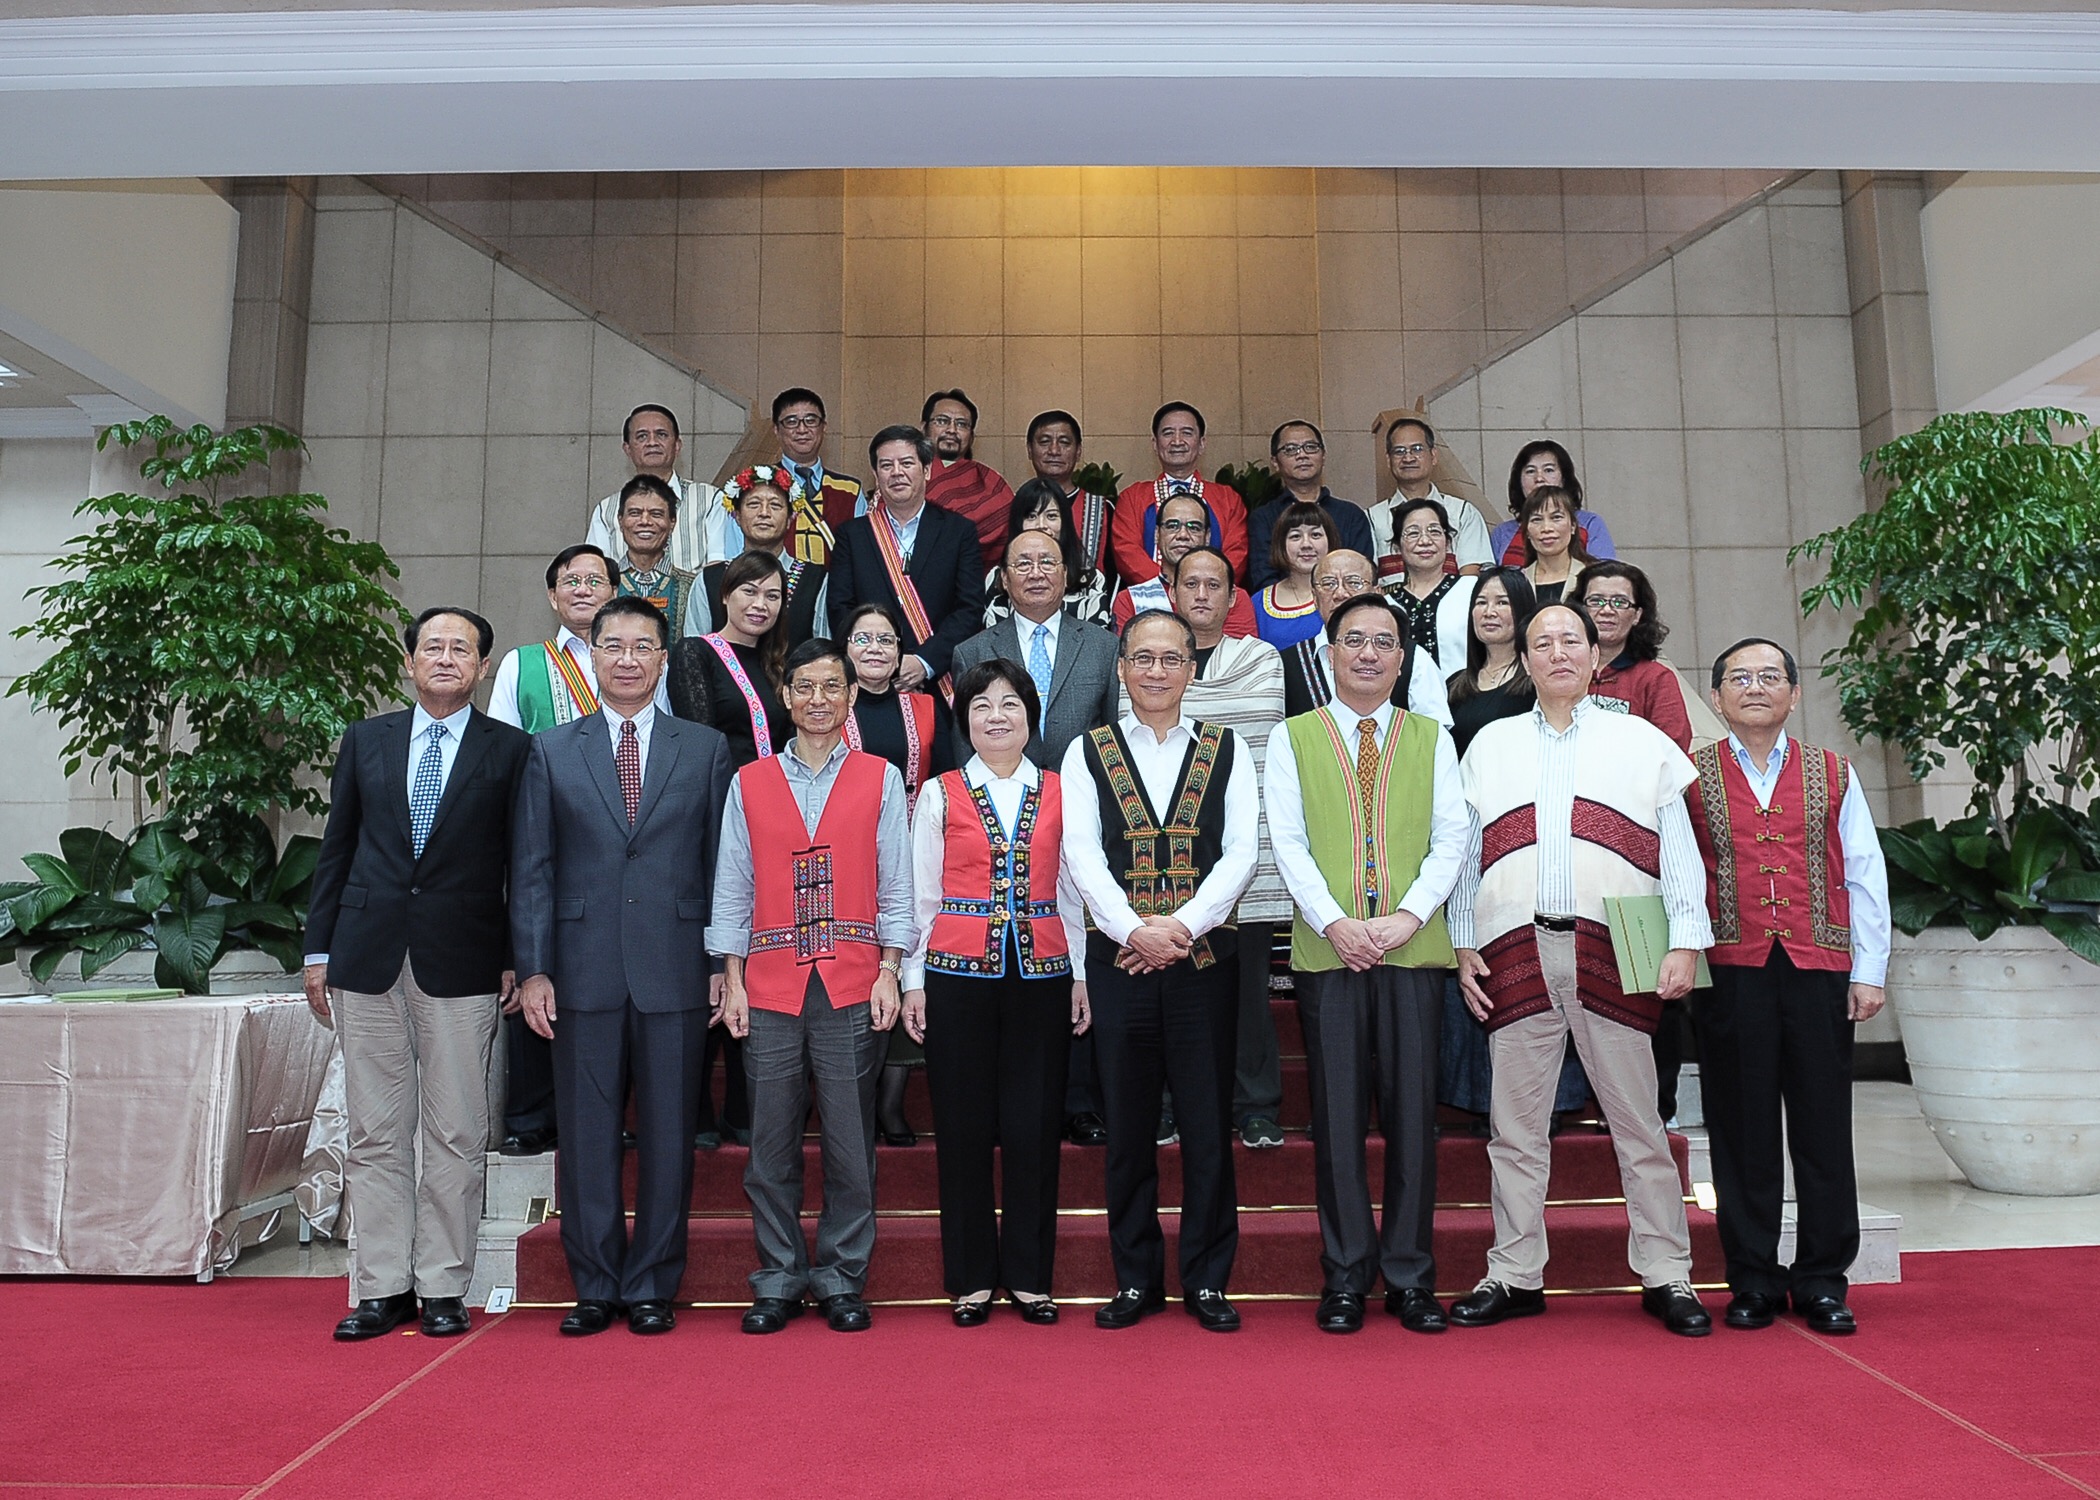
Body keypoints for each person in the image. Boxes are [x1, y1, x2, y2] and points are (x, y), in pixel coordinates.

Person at [1446, 602, 1715, 1338]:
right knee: (1514, 1128)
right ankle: (1514, 1272)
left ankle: (1667, 1272)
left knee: (1639, 1125)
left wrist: (1685, 942)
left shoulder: (1642, 740)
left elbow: (1678, 851)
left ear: (1597, 656)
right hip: (1514, 948)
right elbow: (1467, 854)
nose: (1558, 652)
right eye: (1542, 642)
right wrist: (1462, 940)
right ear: (1524, 660)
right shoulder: (1491, 744)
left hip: (1621, 946)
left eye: (1572, 640)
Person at [511, 595, 736, 1337]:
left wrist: (721, 960)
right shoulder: (551, 750)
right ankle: (596, 1284)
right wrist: (534, 969)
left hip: (677, 965)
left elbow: (722, 866)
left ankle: (652, 1284)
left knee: (671, 1135)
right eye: (614, 646)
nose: (628, 660)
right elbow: (533, 870)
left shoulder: (703, 748)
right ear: (593, 655)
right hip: (580, 969)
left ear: (663, 659)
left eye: (643, 647)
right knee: (586, 1134)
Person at [306, 607, 531, 1343]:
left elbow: (522, 865)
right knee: (374, 1131)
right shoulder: (366, 739)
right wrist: (317, 951)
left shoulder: (511, 749)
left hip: (463, 959)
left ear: (482, 667)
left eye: (460, 649)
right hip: (365, 956)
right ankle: (381, 1286)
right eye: (432, 646)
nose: (445, 658)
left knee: (457, 1131)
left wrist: (517, 956)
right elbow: (337, 848)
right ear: (409, 663)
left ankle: (442, 1283)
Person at [1265, 593, 1468, 1335]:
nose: (1369, 654)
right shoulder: (1292, 736)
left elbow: (1452, 837)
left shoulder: (1431, 736)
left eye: (1384, 642)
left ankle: (1410, 1277)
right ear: (1329, 654)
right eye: (1355, 640)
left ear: (1403, 659)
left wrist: (1407, 917)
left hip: (1413, 949)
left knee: (1414, 1116)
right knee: (1338, 1118)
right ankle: (1346, 1275)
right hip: (1330, 951)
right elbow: (1287, 840)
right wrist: (1336, 922)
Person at [1062, 610, 1259, 1333]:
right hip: (1120, 965)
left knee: (1206, 1126)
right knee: (1128, 1126)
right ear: (1121, 668)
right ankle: (1135, 1280)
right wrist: (1133, 930)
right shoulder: (1087, 751)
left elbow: (1241, 853)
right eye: (1142, 658)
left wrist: (1180, 927)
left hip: (1204, 965)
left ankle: (1207, 1280)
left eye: (1171, 658)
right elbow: (1082, 852)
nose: (1156, 671)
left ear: (1191, 669)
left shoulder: (1227, 748)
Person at [1689, 638, 1891, 1336]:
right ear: (1716, 697)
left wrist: (1870, 970)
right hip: (1730, 969)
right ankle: (1752, 1278)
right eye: (1739, 677)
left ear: (1794, 694)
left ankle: (1823, 1281)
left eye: (1770, 676)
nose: (1755, 687)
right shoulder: (1688, 775)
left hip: (1818, 968)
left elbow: (1863, 870)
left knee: (1823, 1127)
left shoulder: (1834, 771)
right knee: (1740, 1128)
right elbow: (1674, 872)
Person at [712, 638, 915, 1335]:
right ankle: (776, 1278)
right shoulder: (749, 781)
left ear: (852, 697)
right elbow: (733, 886)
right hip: (768, 985)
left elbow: (897, 884)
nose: (819, 699)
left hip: (854, 982)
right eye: (805, 686)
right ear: (786, 696)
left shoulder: (880, 777)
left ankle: (840, 1278)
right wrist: (731, 979)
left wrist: (890, 970)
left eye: (833, 686)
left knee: (851, 1143)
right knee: (769, 1144)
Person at [901, 660, 1091, 1326]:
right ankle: (972, 1278)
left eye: (1010, 703)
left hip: (1043, 975)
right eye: (981, 705)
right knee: (962, 1126)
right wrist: (914, 980)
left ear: (1031, 716)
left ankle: (1032, 1278)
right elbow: (922, 896)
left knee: (1035, 1125)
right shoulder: (940, 794)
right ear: (965, 722)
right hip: (956, 976)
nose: (996, 717)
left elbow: (1073, 892)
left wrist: (1081, 973)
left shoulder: (1062, 790)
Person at [952, 526, 1124, 1148]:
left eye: (1047, 561)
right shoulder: (973, 650)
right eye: (1021, 563)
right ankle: (1004, 1102)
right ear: (1003, 578)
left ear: (1068, 573)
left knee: (1069, 952)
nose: (1035, 572)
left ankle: (1076, 1101)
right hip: (996, 816)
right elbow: (964, 738)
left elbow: (1113, 735)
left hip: (1078, 819)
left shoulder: (1104, 646)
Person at [1135, 547, 1293, 1152]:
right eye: (1190, 584)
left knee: (1248, 994)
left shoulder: (1259, 658)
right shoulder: (1146, 657)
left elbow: (1253, 731)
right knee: (1169, 991)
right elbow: (1145, 731)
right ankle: (1167, 1105)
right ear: (1172, 592)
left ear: (1233, 598)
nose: (1201, 594)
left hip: (1242, 853)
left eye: (1214, 585)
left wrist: (1190, 706)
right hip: (1160, 854)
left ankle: (1255, 1106)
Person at [1438, 567, 1589, 1129]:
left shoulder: (1537, 686)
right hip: (1472, 834)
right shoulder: (1455, 685)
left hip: (1536, 837)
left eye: (1502, 602)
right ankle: (1481, 1100)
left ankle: (1556, 1101)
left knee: (1538, 977)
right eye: (1481, 602)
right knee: (1487, 973)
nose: (1490, 611)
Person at [487, 544, 621, 1159]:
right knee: (536, 964)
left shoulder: (637, 656)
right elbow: (505, 749)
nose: (583, 589)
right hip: (545, 833)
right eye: (572, 581)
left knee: (613, 976)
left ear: (614, 591)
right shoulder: (524, 663)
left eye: (596, 580)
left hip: (622, 841)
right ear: (552, 596)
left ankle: (609, 1109)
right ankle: (532, 1114)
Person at [841, 600, 953, 1148]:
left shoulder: (927, 708)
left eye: (885, 639)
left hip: (915, 856)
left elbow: (950, 779)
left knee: (907, 961)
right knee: (860, 970)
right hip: (848, 860)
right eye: (862, 639)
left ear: (901, 652)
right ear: (844, 649)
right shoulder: (828, 704)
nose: (875, 648)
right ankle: (852, 1097)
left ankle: (891, 1100)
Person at [828, 425, 987, 698]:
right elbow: (840, 608)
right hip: (870, 682)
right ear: (876, 475)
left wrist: (924, 662)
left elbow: (969, 609)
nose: (896, 472)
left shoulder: (958, 532)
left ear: (926, 470)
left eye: (906, 463)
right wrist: (880, 660)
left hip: (939, 682)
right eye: (886, 465)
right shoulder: (852, 536)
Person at [1280, 549, 1451, 726]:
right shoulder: (1286, 663)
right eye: (1328, 583)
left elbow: (1435, 732)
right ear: (1315, 598)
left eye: (1353, 582)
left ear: (1377, 593)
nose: (1340, 594)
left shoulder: (1412, 657)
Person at [669, 551, 789, 768]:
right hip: (722, 783)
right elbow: (699, 742)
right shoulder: (695, 652)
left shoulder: (778, 663)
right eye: (749, 592)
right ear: (725, 595)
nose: (760, 604)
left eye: (772, 596)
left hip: (777, 784)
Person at [1111, 402, 1249, 585]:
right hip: (1151, 596)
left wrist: (1203, 588)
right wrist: (1167, 587)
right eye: (1168, 433)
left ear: (1201, 443)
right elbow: (1127, 553)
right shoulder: (1132, 497)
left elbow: (1236, 554)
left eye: (1187, 433)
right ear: (1155, 443)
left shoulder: (1228, 499)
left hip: (1211, 596)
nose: (1177, 441)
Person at [585, 403, 724, 572]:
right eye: (642, 436)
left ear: (677, 445)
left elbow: (719, 567)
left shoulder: (710, 500)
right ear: (627, 449)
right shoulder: (606, 509)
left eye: (661, 435)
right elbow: (594, 571)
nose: (652, 442)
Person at [702, 465, 829, 647]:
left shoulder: (816, 580)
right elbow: (695, 651)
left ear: (791, 518)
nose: (764, 513)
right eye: (753, 504)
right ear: (737, 515)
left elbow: (824, 651)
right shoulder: (711, 579)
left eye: (775, 505)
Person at [1244, 421, 1376, 591]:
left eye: (1311, 447)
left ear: (1323, 455)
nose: (1302, 455)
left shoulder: (1351, 515)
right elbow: (1264, 579)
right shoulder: (1263, 518)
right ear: (1275, 462)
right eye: (1290, 449)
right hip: (1284, 605)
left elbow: (1362, 574)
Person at [1577, 560, 1692, 752]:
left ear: (1637, 615)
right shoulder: (1561, 669)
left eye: (1620, 602)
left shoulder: (1656, 678)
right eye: (1596, 601)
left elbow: (1672, 749)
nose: (1606, 611)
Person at [1110, 489, 1258, 638]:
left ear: (1207, 536)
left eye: (1194, 527)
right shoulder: (1130, 599)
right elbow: (1128, 652)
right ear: (1157, 534)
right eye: (1172, 526)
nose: (1183, 535)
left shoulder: (1232, 597)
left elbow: (1238, 651)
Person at [1367, 415, 1493, 586]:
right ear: (1389, 460)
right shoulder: (1372, 518)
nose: (1408, 458)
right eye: (1399, 451)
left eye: (1417, 449)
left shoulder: (1463, 513)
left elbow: (1470, 577)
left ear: (1433, 456)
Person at [983, 478, 1114, 630]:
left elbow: (1097, 640)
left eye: (1051, 516)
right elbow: (994, 638)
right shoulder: (998, 577)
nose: (1041, 526)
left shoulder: (1092, 579)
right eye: (1031, 516)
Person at [1022, 409, 1116, 588]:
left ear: (1078, 451)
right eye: (1044, 442)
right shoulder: (1015, 506)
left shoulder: (1102, 509)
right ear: (1029, 449)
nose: (1054, 450)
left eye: (1064, 442)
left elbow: (1115, 576)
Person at [924, 388, 1016, 563]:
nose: (952, 430)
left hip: (977, 576)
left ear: (972, 437)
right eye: (942, 421)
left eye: (961, 424)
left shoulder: (990, 482)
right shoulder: (905, 476)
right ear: (924, 428)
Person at [1493, 439, 1617, 568]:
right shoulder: (1502, 532)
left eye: (1548, 470)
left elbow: (1605, 573)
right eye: (1530, 471)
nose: (1539, 478)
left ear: (1564, 478)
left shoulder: (1590, 523)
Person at [612, 474, 707, 638]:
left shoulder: (693, 587)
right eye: (634, 513)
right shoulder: (603, 584)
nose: (645, 521)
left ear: (672, 522)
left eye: (656, 514)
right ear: (620, 521)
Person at [1389, 495, 1475, 670]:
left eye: (1434, 531)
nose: (1425, 541)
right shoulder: (1387, 604)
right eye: (1413, 533)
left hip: (1467, 687)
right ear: (1397, 547)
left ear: (1448, 542)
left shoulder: (1472, 590)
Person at [771, 387, 860, 556]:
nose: (802, 429)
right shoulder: (760, 485)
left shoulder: (850, 490)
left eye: (811, 421)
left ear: (824, 426)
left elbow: (860, 552)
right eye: (791, 422)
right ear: (776, 429)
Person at [1252, 499, 1334, 650]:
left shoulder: (1346, 596)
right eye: (1295, 536)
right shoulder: (1259, 604)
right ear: (1281, 545)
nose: (1306, 544)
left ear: (1330, 541)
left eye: (1315, 535)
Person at [1516, 484, 1591, 606]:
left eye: (1556, 517)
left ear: (1573, 526)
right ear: (1527, 531)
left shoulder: (1591, 578)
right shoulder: (1518, 581)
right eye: (1536, 519)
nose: (1546, 528)